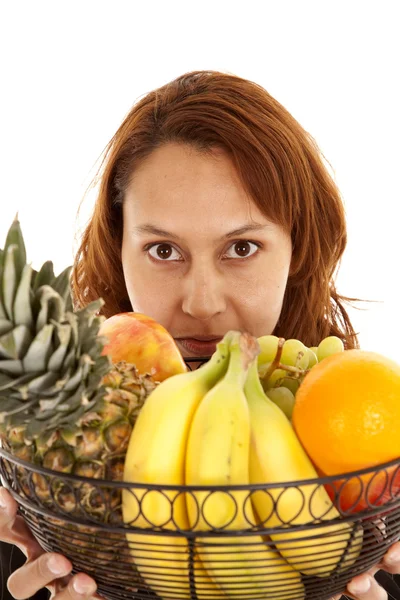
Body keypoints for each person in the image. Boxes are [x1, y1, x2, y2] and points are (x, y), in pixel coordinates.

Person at [1, 70, 399, 600]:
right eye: (163, 251)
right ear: (119, 251)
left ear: (296, 248)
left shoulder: (372, 471)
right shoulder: (39, 488)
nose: (202, 302)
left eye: (241, 248)